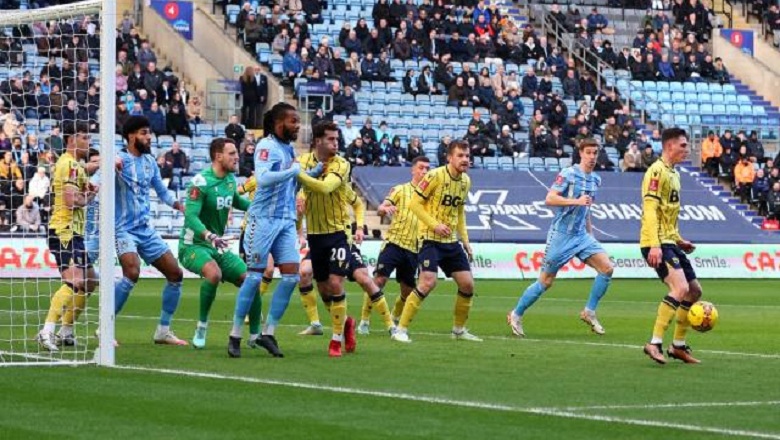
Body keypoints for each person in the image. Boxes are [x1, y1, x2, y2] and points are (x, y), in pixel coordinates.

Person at [297, 121, 389, 357]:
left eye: (337, 139)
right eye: (331, 139)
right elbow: (298, 187)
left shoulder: (342, 164)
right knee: (324, 288)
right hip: (316, 235)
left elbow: (326, 188)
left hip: (339, 234)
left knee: (337, 283)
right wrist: (297, 193)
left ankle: (335, 340)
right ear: (318, 140)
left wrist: (296, 175)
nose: (336, 143)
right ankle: (346, 322)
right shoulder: (303, 162)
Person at [508, 139, 614, 337]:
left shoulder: (596, 179)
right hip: (561, 235)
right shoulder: (568, 174)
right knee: (546, 282)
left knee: (607, 268)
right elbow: (550, 199)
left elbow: (586, 208)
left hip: (581, 235)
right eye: (589, 153)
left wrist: (590, 234)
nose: (592, 157)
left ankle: (589, 312)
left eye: (595, 153)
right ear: (580, 153)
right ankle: (516, 314)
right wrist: (576, 200)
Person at [391, 140, 479, 343]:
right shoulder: (434, 176)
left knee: (467, 285)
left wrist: (464, 240)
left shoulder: (466, 181)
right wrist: (434, 224)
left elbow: (459, 212)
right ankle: (400, 329)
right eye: (460, 155)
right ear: (449, 157)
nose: (465, 159)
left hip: (450, 241)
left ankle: (458, 330)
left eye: (467, 156)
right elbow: (414, 203)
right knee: (428, 282)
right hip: (429, 238)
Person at [114, 116, 187, 346]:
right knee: (132, 272)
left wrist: (179, 205)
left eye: (149, 133)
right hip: (122, 229)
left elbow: (162, 193)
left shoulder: (150, 162)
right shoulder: (118, 160)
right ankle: (105, 326)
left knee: (175, 274)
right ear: (131, 136)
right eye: (144, 133)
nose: (149, 137)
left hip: (145, 230)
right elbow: (97, 178)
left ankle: (163, 331)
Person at [641, 128, 703, 365]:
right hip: (655, 243)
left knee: (694, 291)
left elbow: (668, 214)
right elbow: (650, 211)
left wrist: (679, 239)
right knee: (679, 288)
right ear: (669, 146)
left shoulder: (674, 174)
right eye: (683, 145)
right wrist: (655, 245)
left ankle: (677, 346)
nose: (687, 150)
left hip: (669, 242)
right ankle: (654, 343)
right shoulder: (656, 172)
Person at [36, 123, 99, 352]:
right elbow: (73, 201)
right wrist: (90, 195)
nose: (88, 141)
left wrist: (104, 163)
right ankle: (47, 331)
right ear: (72, 140)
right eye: (84, 137)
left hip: (74, 233)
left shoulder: (73, 165)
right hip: (64, 231)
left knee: (91, 280)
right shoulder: (70, 164)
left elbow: (88, 168)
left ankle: (66, 330)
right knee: (75, 281)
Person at [358, 156, 431, 334]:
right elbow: (381, 208)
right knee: (379, 280)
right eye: (421, 168)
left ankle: (396, 319)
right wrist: (385, 209)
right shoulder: (400, 190)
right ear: (412, 170)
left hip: (413, 248)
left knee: (407, 292)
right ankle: (364, 321)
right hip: (394, 243)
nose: (424, 171)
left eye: (427, 169)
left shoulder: (429, 196)